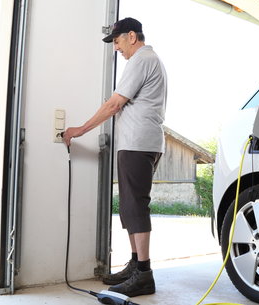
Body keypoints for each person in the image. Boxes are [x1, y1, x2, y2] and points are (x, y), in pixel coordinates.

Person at [62, 17, 167, 297]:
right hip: (140, 142)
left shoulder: (142, 60)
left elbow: (113, 104)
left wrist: (80, 130)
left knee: (136, 206)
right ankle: (135, 265)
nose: (116, 48)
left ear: (131, 36)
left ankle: (144, 274)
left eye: (118, 41)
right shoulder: (146, 60)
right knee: (130, 207)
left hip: (138, 143)